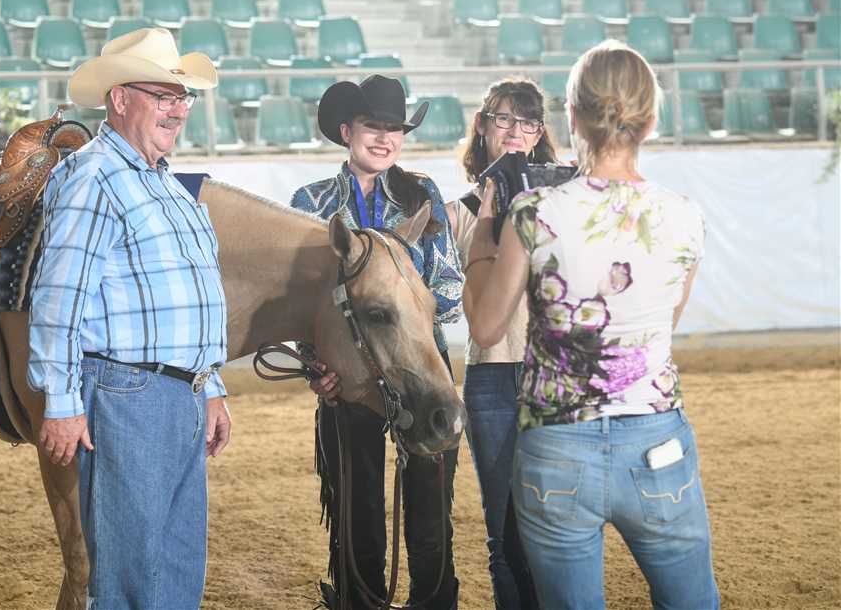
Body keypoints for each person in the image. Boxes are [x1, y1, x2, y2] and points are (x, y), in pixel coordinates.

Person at [463, 40, 719, 609]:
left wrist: (483, 233)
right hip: (655, 437)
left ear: (573, 117)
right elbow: (665, 324)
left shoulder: (535, 212)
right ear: (650, 121)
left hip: (557, 443)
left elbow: (485, 328)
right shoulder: (685, 215)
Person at [27, 28, 232, 609]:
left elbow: (195, 295)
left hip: (179, 392)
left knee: (178, 561)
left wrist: (211, 386)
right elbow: (59, 297)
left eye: (183, 97)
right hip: (127, 393)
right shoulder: (94, 176)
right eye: (164, 96)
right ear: (119, 98)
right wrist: (61, 402)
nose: (179, 110)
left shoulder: (165, 182)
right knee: (130, 569)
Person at [291, 74, 463, 610]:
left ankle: (434, 602)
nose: (386, 138)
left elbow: (449, 286)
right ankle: (358, 600)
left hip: (420, 367)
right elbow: (298, 305)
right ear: (348, 131)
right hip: (348, 379)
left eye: (395, 129)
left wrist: (405, 313)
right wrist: (316, 366)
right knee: (355, 506)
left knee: (430, 508)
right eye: (374, 126)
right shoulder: (310, 203)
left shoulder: (422, 195)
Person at [445, 77, 557, 609]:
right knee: (503, 531)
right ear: (483, 125)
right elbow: (459, 306)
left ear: (539, 134)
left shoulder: (561, 203)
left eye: (528, 121)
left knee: (556, 523)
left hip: (551, 375)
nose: (516, 130)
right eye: (504, 118)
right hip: (489, 376)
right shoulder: (457, 213)